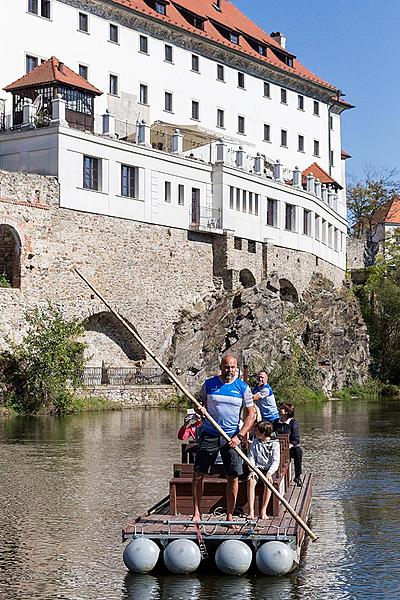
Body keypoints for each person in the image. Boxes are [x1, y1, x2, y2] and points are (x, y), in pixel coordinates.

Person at [192, 354, 256, 523]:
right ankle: (197, 513)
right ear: (221, 367)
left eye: (233, 367)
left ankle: (229, 515)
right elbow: (199, 404)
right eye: (227, 367)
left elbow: (251, 415)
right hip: (210, 434)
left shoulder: (243, 388)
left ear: (237, 369)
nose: (230, 370)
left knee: (233, 476)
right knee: (198, 474)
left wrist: (239, 436)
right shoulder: (209, 385)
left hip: (232, 437)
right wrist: (199, 409)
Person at [247, 421, 280, 520]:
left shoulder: (274, 444)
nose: (254, 432)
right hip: (257, 468)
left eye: (256, 431)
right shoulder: (255, 443)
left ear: (264, 432)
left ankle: (263, 510)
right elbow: (251, 457)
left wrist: (270, 472)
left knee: (268, 483)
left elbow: (275, 460)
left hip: (269, 469)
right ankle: (251, 511)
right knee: (250, 481)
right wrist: (252, 469)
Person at [274, 402, 303, 486]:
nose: (279, 410)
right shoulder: (275, 422)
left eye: (281, 409)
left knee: (298, 451)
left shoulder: (293, 423)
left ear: (287, 411)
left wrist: (290, 445)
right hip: (276, 446)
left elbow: (296, 439)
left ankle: (297, 476)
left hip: (288, 447)